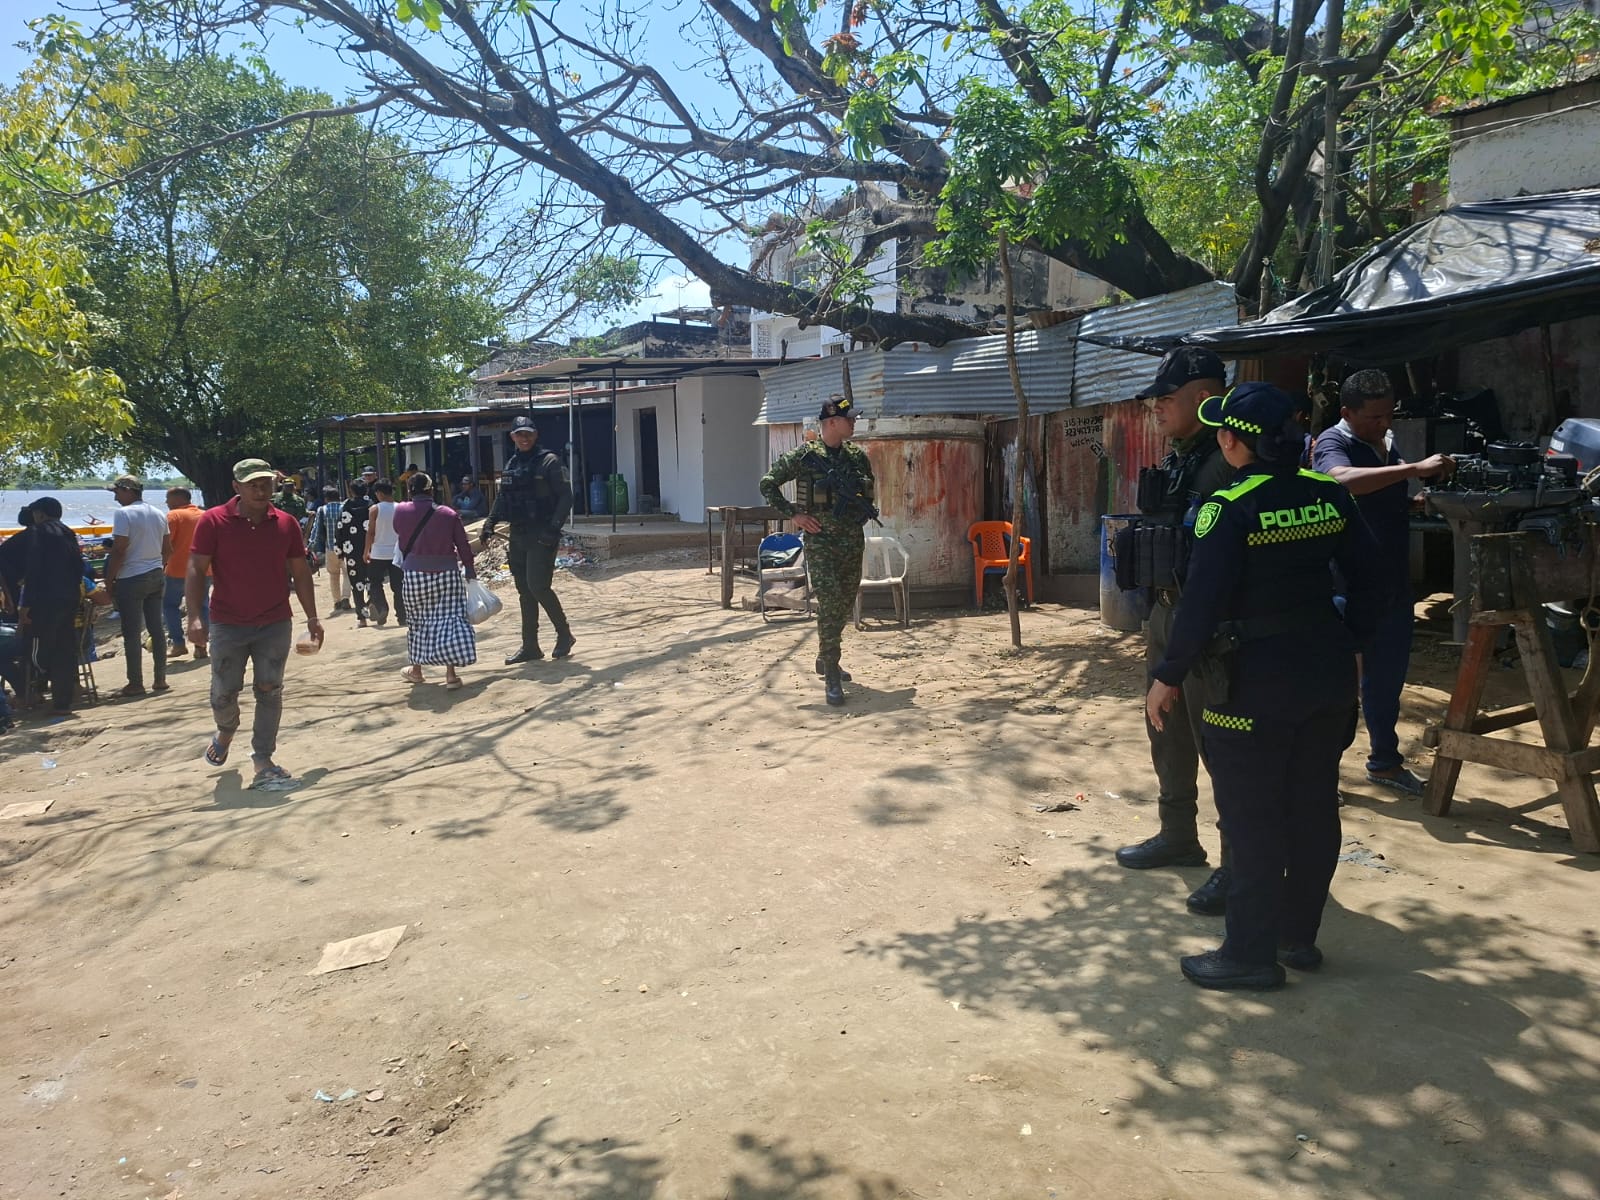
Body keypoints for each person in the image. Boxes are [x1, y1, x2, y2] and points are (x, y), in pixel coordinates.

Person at [1147, 383, 1384, 990]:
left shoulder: (1229, 507)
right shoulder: (1330, 496)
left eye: (1221, 432)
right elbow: (1372, 582)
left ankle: (1249, 955)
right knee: (1311, 808)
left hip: (1251, 685)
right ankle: (1296, 939)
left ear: (1232, 441)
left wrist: (1167, 677)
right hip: (1327, 675)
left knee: (1252, 820)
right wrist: (1350, 641)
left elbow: (1199, 606)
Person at [1115, 348, 1237, 917]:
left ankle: (1239, 865)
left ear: (1205, 396)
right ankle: (1178, 835)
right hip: (1166, 612)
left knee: (1223, 743)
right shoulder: (1185, 457)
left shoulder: (1230, 458)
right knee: (1167, 731)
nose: (1156, 406)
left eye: (1167, 397)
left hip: (1209, 624)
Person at [1312, 369, 1455, 796]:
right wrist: (1414, 468)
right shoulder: (1332, 443)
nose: (1384, 423)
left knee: (1386, 682)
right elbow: (1340, 480)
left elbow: (1380, 497)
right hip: (1345, 585)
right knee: (1335, 687)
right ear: (1347, 412)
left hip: (1391, 584)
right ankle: (1320, 773)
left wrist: (1414, 500)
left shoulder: (1387, 444)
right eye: (1374, 417)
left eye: (1388, 414)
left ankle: (1385, 764)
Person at [187, 458, 323, 792]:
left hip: (275, 622)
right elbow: (195, 568)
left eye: (266, 483)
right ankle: (226, 729)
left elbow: (300, 572)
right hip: (227, 623)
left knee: (269, 690)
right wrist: (193, 616)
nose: (261, 490)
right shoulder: (213, 521)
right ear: (237, 487)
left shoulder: (286, 523)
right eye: (253, 484)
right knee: (224, 691)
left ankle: (263, 758)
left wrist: (313, 617)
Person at [758, 393, 879, 707]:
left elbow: (869, 491)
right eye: (849, 418)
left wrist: (865, 511)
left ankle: (827, 659)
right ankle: (833, 676)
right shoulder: (805, 456)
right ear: (832, 422)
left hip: (852, 540)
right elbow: (768, 483)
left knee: (844, 602)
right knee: (829, 601)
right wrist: (794, 514)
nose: (854, 422)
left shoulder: (857, 456)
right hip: (821, 542)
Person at [481, 415, 575, 664]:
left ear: (536, 435)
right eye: (519, 434)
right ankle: (530, 646)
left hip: (542, 533)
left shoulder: (550, 462)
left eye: (528, 434)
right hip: (518, 533)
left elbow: (566, 497)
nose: (524, 438)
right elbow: (502, 497)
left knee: (538, 586)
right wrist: (490, 523)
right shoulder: (512, 462)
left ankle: (564, 633)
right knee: (524, 591)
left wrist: (553, 529)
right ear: (512, 437)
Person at [0, 496, 86, 716]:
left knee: (37, 651)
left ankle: (33, 690)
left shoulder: (37, 534)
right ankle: (62, 703)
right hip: (69, 599)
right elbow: (79, 569)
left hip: (43, 601)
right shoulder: (69, 533)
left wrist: (24, 608)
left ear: (40, 514)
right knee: (64, 649)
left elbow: (34, 573)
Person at [393, 473, 477, 689]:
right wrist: (469, 569)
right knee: (450, 619)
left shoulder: (400, 511)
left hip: (414, 574)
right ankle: (450, 675)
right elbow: (463, 545)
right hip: (447, 574)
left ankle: (417, 670)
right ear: (432, 491)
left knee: (417, 622)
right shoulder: (448, 514)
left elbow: (402, 540)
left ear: (410, 491)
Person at [103, 473, 172, 699]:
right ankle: (160, 679)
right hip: (155, 575)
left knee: (132, 632)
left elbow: (119, 549)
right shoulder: (158, 513)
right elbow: (167, 549)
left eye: (117, 493)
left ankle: (136, 683)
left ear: (128, 491)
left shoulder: (123, 514)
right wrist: (156, 566)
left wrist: (110, 579)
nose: (115, 498)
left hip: (131, 577)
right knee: (156, 629)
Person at [162, 487, 209, 659]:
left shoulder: (173, 516)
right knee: (202, 605)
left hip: (177, 570)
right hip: (205, 570)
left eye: (168, 499)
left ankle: (178, 643)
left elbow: (166, 545)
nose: (166, 503)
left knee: (169, 605)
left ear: (177, 499)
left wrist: (160, 564)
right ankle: (201, 646)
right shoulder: (205, 515)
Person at [363, 479, 406, 627]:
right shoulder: (401, 507)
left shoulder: (375, 509)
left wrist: (366, 551)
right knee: (399, 585)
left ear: (379, 493)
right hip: (396, 552)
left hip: (378, 552)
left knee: (375, 583)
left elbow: (371, 532)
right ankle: (402, 616)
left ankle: (382, 607)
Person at [336, 480, 375, 627]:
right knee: (372, 580)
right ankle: (372, 603)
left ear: (351, 491)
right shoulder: (372, 505)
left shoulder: (346, 506)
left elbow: (340, 528)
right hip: (371, 549)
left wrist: (339, 550)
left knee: (357, 584)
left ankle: (362, 617)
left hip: (351, 550)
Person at [308, 485, 349, 611]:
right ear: (339, 497)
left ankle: (337, 601)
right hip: (346, 548)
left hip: (330, 547)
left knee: (333, 575)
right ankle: (345, 598)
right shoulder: (345, 507)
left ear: (326, 499)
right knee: (347, 574)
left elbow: (316, 529)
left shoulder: (322, 510)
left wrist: (311, 545)